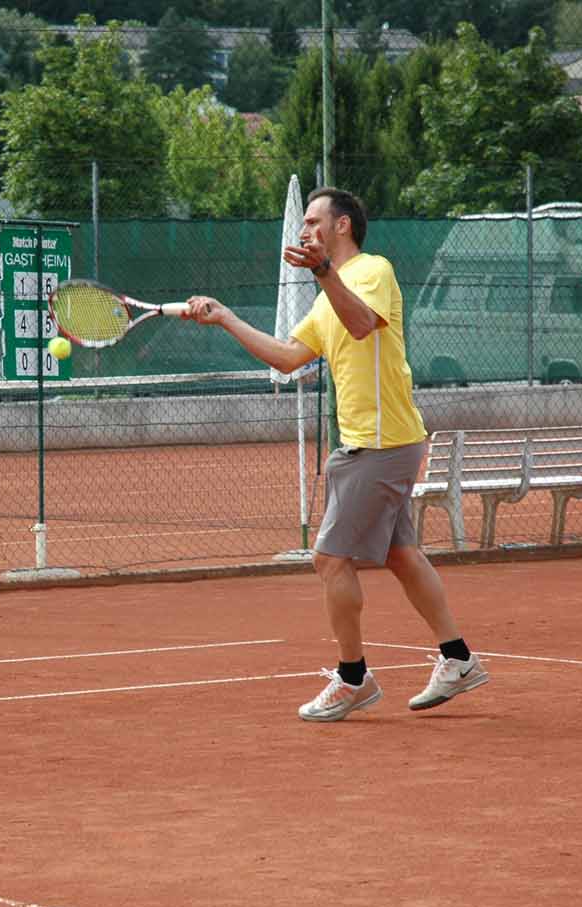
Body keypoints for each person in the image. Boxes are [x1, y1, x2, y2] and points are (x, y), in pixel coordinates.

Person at [183, 187, 488, 721]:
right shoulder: (326, 297)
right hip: (377, 442)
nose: (304, 230)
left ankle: (353, 678)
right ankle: (458, 659)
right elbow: (287, 358)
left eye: (313, 221)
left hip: (381, 443)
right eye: (303, 223)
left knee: (329, 559)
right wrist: (226, 317)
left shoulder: (373, 271)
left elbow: (362, 323)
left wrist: (323, 270)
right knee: (399, 554)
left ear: (342, 225)